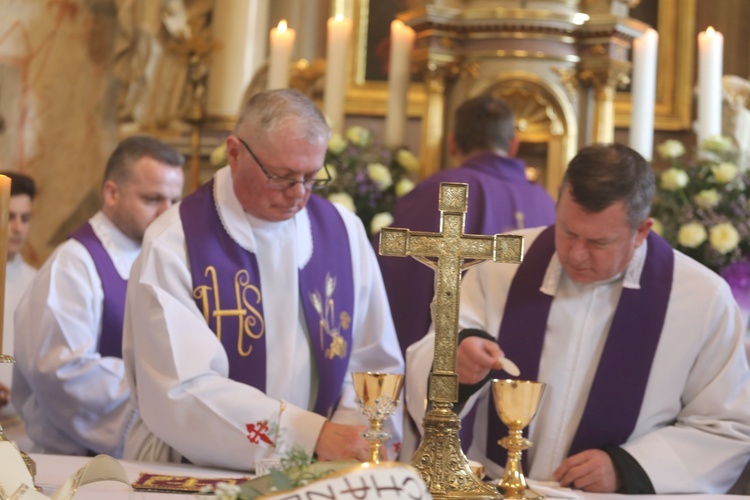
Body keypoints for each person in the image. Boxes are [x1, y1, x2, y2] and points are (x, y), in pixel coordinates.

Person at [406, 144, 750, 493]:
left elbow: (725, 426)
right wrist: (457, 360)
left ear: (642, 231)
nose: (576, 254)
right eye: (568, 232)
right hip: (499, 488)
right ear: (558, 201)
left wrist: (629, 467)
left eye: (599, 242)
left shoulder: (701, 298)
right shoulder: (503, 262)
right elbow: (436, 346)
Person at [122, 89, 404, 470]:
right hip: (200, 466)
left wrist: (348, 436)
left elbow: (374, 361)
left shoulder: (343, 232)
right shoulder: (175, 241)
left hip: (324, 470)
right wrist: (308, 436)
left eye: (311, 177)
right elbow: (181, 387)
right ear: (235, 153)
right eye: (282, 177)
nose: (299, 194)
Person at [12, 136, 185, 457]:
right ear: (111, 193)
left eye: (174, 202)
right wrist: (162, 394)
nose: (167, 213)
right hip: (76, 464)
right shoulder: (73, 265)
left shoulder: (160, 260)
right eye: (152, 199)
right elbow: (62, 370)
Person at [377, 94, 556, 356]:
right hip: (521, 360)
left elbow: (390, 271)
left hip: (452, 356)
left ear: (451, 143)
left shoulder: (439, 191)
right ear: (514, 144)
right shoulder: (546, 202)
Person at [0, 172, 37, 448]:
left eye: (25, 219)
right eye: (10, 216)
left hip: (22, 428)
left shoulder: (37, 281)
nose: (17, 227)